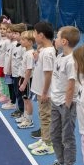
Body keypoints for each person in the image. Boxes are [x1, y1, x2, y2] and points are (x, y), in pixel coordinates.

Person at [43, 26, 80, 165]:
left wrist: (67, 105)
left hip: (66, 105)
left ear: (64, 41)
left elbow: (71, 86)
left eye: (57, 37)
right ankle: (60, 160)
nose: (55, 40)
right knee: (54, 133)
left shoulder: (71, 61)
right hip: (55, 102)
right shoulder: (59, 57)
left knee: (67, 136)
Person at [28, 21, 56, 156]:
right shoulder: (44, 50)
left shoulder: (49, 52)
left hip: (46, 92)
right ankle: (45, 138)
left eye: (34, 32)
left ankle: (48, 144)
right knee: (42, 115)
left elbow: (49, 73)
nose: (33, 35)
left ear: (41, 35)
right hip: (40, 90)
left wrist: (45, 92)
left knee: (46, 116)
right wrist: (37, 56)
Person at [16, 30, 35, 129]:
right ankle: (25, 116)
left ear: (30, 42)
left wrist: (24, 83)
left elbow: (29, 70)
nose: (21, 41)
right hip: (22, 77)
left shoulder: (30, 54)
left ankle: (29, 120)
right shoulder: (26, 52)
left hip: (26, 80)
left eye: (24, 39)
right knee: (24, 99)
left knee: (27, 100)